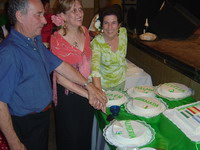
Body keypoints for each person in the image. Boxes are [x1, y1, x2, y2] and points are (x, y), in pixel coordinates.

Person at [0, 0, 107, 150]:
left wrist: (89, 86)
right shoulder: (9, 53)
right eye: (39, 15)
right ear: (20, 16)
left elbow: (61, 65)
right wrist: (14, 143)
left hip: (43, 118)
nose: (44, 20)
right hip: (26, 123)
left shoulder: (34, 41)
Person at [50, 0, 100, 149]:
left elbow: (90, 63)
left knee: (85, 134)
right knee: (70, 137)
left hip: (87, 89)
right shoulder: (56, 40)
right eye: (73, 10)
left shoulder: (85, 31)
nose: (79, 13)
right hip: (69, 96)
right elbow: (60, 78)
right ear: (62, 16)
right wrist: (89, 93)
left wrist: (97, 90)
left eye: (80, 9)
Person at [91, 5, 127, 91]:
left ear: (119, 25)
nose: (110, 27)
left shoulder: (123, 33)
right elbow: (95, 71)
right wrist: (99, 92)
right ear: (101, 25)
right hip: (102, 86)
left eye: (113, 23)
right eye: (106, 23)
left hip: (120, 82)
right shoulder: (97, 43)